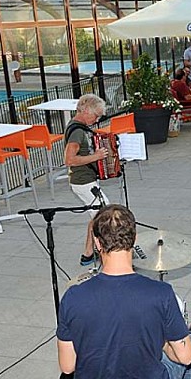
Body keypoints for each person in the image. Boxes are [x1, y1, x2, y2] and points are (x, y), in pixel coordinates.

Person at [56, 205, 191, 379]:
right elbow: (185, 357)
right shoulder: (160, 293)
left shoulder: (73, 297)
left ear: (97, 243)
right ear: (134, 241)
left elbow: (68, 367)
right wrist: (162, 343)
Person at [64, 94, 110, 266]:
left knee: (97, 215)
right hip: (83, 181)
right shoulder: (77, 132)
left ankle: (89, 253)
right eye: (95, 115)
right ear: (84, 111)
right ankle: (99, 252)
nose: (97, 119)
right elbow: (69, 160)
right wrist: (96, 156)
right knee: (104, 215)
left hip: (86, 179)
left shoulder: (81, 129)